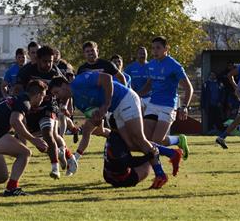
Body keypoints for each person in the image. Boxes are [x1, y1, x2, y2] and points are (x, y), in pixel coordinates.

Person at [49, 72, 183, 189]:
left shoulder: (80, 80)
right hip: (116, 109)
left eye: (57, 92)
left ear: (64, 85)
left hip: (125, 98)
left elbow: (107, 78)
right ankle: (171, 152)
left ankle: (160, 175)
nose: (58, 97)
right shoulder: (78, 102)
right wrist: (96, 118)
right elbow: (97, 120)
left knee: (139, 138)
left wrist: (106, 104)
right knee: (130, 144)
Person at [15, 45, 78, 179]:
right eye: (45, 61)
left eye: (51, 61)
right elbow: (18, 89)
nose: (48, 64)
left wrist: (65, 105)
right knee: (48, 141)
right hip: (31, 109)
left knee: (48, 133)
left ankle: (55, 168)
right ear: (37, 60)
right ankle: (68, 156)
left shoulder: (55, 72)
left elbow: (67, 90)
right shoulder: (27, 71)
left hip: (49, 107)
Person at [137, 36, 193, 160]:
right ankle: (155, 167)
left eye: (158, 48)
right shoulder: (151, 64)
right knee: (146, 141)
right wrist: (135, 94)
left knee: (157, 141)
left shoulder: (174, 66)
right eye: (153, 48)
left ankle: (178, 140)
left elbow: (189, 88)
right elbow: (149, 85)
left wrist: (184, 106)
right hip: (152, 104)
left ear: (166, 48)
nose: (155, 51)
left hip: (167, 106)